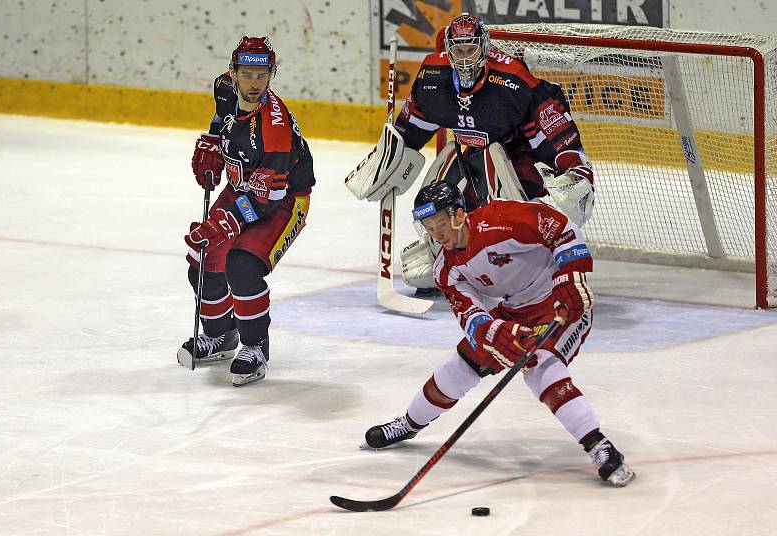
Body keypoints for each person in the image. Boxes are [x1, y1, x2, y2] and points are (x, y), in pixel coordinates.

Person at [362, 181, 634, 487]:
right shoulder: (446, 270)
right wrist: (496, 333)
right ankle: (409, 424)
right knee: (459, 367)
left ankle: (599, 445)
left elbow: (561, 229)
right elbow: (471, 317)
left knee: (540, 368)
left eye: (440, 225)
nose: (437, 236)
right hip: (515, 312)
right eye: (429, 229)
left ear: (459, 215)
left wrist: (571, 274)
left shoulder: (501, 220)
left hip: (561, 303)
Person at [345, 13, 595, 291]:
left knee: (503, 205)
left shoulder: (512, 81)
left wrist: (575, 171)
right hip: (471, 153)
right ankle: (448, 255)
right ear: (448, 51)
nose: (464, 58)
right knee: (435, 199)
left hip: (518, 156)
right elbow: (410, 130)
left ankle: (532, 255)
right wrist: (387, 158)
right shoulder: (432, 78)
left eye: (470, 49)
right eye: (458, 50)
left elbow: (556, 134)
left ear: (485, 48)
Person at [177, 36, 315, 386]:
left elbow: (267, 198)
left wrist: (226, 222)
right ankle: (221, 335)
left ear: (271, 75)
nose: (254, 83)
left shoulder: (275, 126)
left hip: (283, 200)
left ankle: (255, 346)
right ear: (233, 72)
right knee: (203, 256)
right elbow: (220, 119)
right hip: (243, 187)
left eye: (262, 75)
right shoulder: (224, 89)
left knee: (241, 264)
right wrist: (210, 144)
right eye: (247, 74)